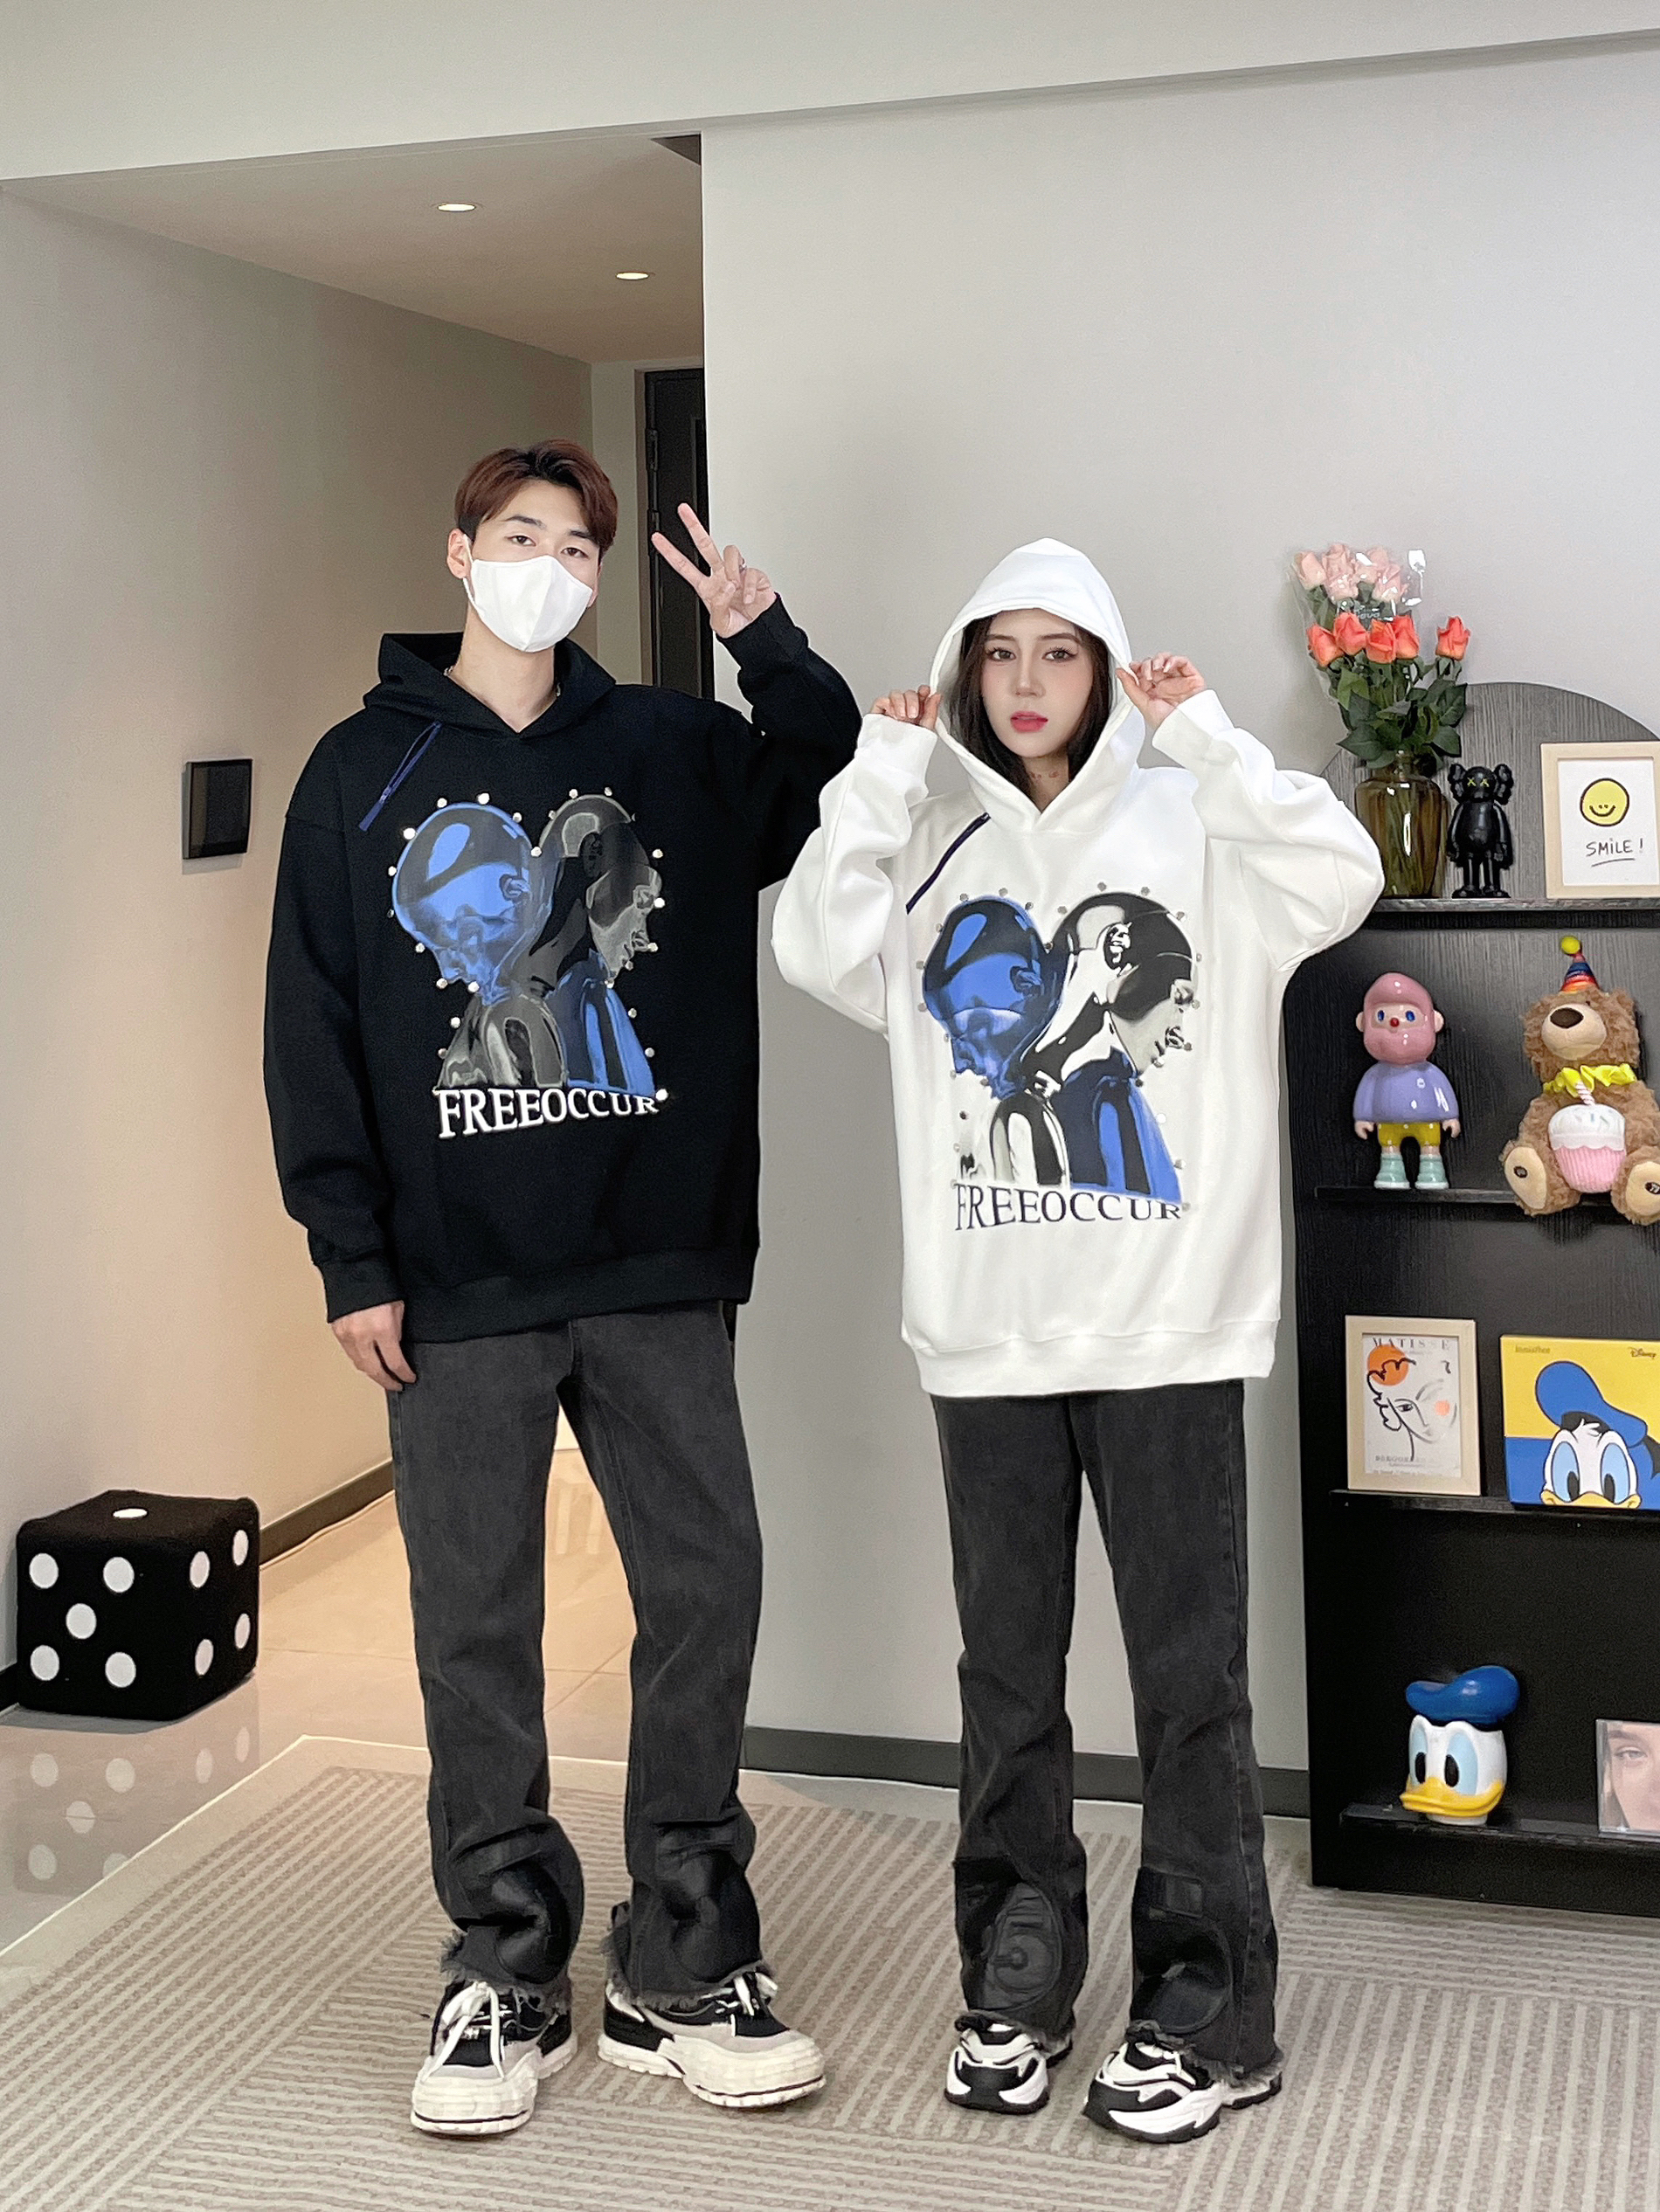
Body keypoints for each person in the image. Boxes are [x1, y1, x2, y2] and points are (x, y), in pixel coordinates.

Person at [265, 440, 860, 2138]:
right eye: (520, 536)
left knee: (706, 1589)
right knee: (475, 1625)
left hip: (654, 1254)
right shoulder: (360, 771)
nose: (551, 566)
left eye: (579, 547)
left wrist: (761, 635)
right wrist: (351, 1257)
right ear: (459, 555)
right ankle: (504, 1960)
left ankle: (685, 1952)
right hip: (455, 1278)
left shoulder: (668, 748)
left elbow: (817, 763)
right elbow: (311, 1020)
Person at [773, 538, 1382, 2144]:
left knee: (1191, 1688)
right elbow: (815, 949)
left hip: (1171, 1328)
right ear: (966, 673)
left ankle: (1208, 2010)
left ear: (1106, 670)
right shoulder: (929, 839)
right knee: (1007, 1677)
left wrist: (1213, 743)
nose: (1028, 683)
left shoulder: (1195, 820)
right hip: (988, 1336)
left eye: (1060, 652)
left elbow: (1343, 876)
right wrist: (878, 775)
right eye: (1002, 654)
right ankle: (1017, 1972)